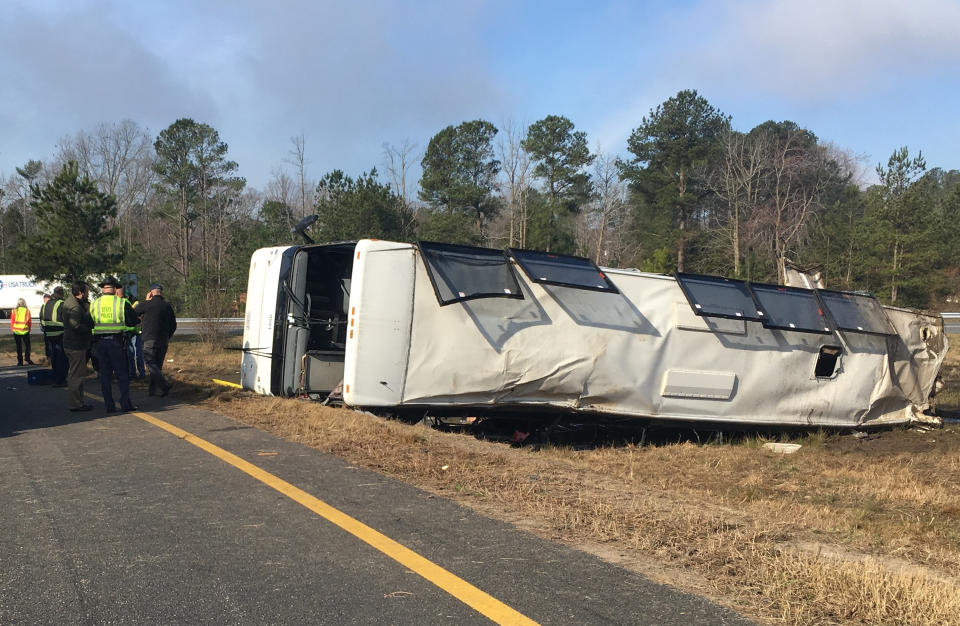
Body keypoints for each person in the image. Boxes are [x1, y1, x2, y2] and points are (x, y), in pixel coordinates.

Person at [90, 276, 138, 412]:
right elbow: (133, 321)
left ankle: (109, 406)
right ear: (115, 289)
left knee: (105, 376)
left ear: (102, 288)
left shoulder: (95, 304)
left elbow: (89, 322)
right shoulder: (122, 303)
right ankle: (125, 404)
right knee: (122, 375)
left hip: (101, 343)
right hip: (117, 343)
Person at [135, 282, 176, 397]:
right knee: (157, 366)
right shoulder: (167, 306)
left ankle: (163, 385)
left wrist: (147, 301)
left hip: (149, 339)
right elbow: (173, 324)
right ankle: (152, 391)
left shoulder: (147, 304)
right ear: (161, 292)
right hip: (163, 340)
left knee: (150, 363)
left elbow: (133, 313)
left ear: (151, 292)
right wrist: (168, 335)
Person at [62, 281, 94, 412]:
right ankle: (76, 404)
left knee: (78, 374)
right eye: (87, 291)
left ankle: (79, 402)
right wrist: (89, 327)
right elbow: (75, 325)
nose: (88, 293)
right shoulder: (74, 306)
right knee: (76, 375)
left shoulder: (71, 302)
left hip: (73, 343)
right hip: (76, 345)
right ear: (80, 292)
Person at [40, 287, 68, 385]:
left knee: (54, 357)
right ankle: (61, 379)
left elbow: (42, 318)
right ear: (61, 294)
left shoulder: (47, 304)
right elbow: (66, 320)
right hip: (60, 334)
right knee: (62, 358)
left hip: (48, 334)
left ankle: (56, 378)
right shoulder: (62, 304)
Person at [116, 286, 146, 378]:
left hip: (133, 332)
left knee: (134, 354)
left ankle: (136, 373)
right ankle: (137, 373)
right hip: (133, 331)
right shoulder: (129, 302)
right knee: (134, 354)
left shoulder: (129, 303)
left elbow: (134, 318)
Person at [10, 297, 34, 366]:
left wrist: (12, 328)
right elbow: (29, 321)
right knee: (27, 346)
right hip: (25, 331)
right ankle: (27, 358)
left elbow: (12, 321)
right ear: (24, 303)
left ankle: (20, 362)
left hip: (16, 331)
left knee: (19, 347)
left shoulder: (14, 311)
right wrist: (29, 329)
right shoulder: (27, 311)